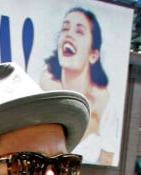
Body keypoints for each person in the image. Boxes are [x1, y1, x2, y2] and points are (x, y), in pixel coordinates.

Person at [40, 7, 118, 165]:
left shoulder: (105, 105)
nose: (69, 34)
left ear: (93, 55)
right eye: (65, 28)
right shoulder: (42, 85)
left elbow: (107, 161)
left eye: (79, 31)